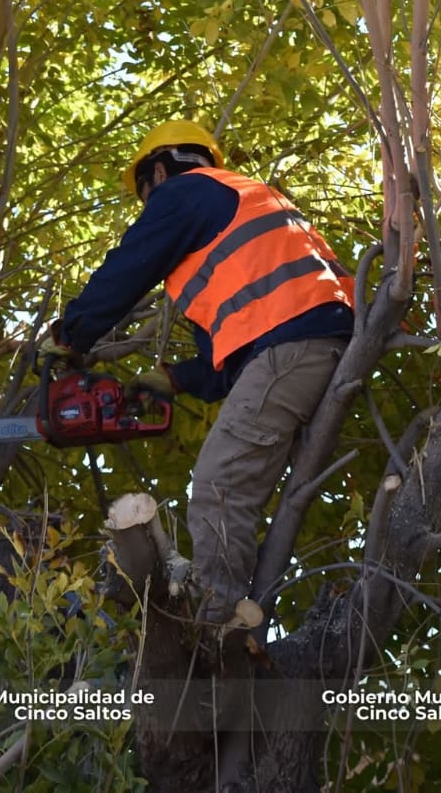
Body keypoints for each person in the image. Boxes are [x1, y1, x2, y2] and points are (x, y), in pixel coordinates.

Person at [56, 120, 354, 624]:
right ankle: (238, 613)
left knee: (220, 484)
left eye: (144, 192)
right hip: (309, 345)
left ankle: (214, 625)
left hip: (293, 346)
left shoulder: (185, 192)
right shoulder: (237, 204)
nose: (147, 204)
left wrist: (70, 335)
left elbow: (127, 268)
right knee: (235, 483)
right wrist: (174, 380)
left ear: (158, 171)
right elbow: (228, 361)